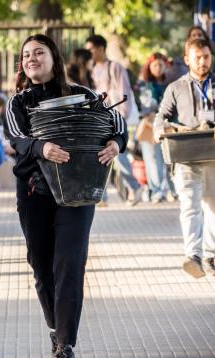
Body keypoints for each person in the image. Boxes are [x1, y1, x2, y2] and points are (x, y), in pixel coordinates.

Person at [3, 34, 127, 358]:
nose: (31, 58)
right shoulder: (19, 103)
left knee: (69, 264)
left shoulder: (84, 95)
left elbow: (116, 124)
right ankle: (56, 328)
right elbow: (16, 138)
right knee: (42, 267)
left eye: (38, 52)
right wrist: (41, 147)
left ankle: (65, 345)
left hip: (78, 190)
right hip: (35, 192)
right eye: (26, 54)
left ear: (54, 58)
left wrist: (116, 145)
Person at [154, 38, 215, 279]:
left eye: (207, 57)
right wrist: (163, 130)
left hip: (213, 156)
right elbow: (161, 118)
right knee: (190, 207)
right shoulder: (175, 88)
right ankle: (194, 256)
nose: (202, 62)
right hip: (187, 155)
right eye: (197, 57)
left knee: (213, 208)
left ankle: (210, 256)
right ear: (187, 59)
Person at [85, 34, 142, 206]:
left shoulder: (115, 67)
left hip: (114, 119)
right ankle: (102, 196)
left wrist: (120, 120)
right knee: (102, 155)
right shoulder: (91, 69)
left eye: (91, 50)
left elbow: (124, 93)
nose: (89, 54)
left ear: (101, 48)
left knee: (117, 155)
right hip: (98, 119)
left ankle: (134, 186)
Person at [137, 52, 175, 203]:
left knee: (167, 159)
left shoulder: (171, 84)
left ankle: (170, 190)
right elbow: (144, 105)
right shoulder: (144, 84)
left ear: (166, 66)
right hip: (149, 125)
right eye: (154, 65)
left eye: (161, 64)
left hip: (166, 125)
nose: (158, 68)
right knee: (151, 159)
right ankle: (156, 191)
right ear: (149, 67)